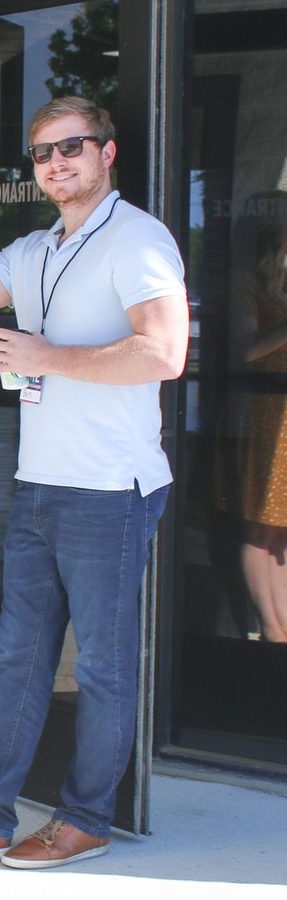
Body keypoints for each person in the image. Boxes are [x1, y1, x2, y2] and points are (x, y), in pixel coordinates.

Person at [0, 97, 188, 869]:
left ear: (106, 153)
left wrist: (44, 357)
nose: (55, 164)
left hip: (108, 489)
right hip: (39, 485)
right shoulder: (37, 250)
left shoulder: (137, 238)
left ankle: (84, 818)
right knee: (19, 657)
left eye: (72, 148)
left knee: (99, 665)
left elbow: (162, 354)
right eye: (42, 154)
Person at [225, 191, 287, 641]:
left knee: (282, 532)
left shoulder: (280, 279)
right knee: (263, 526)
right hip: (266, 412)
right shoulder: (245, 279)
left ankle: (281, 629)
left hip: (283, 410)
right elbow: (243, 350)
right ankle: (271, 626)